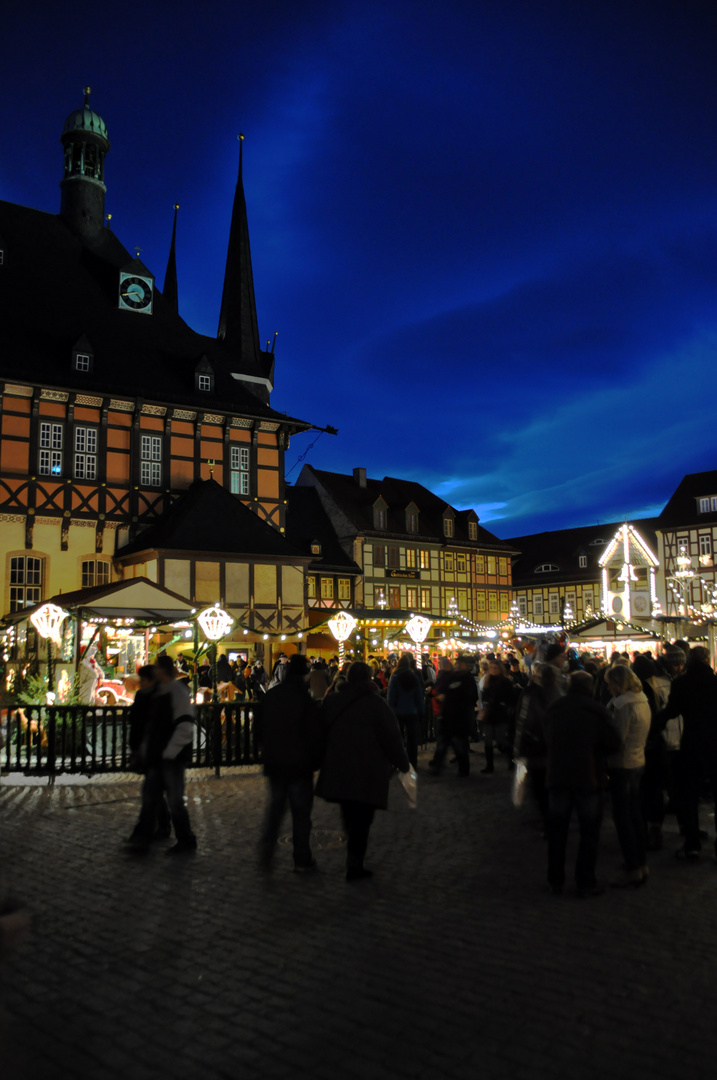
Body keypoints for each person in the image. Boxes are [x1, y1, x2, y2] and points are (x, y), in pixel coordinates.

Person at [316, 662, 410, 881]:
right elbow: (391, 737)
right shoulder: (376, 704)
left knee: (349, 811)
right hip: (368, 767)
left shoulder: (333, 701)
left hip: (339, 764)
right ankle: (355, 862)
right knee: (362, 816)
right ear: (369, 678)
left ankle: (354, 854)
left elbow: (319, 729)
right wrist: (403, 762)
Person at [544, 671, 622, 897]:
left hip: (558, 775)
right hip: (587, 776)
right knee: (589, 832)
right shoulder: (596, 710)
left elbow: (546, 736)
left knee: (557, 831)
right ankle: (584, 880)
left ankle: (555, 879)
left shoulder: (555, 708)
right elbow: (613, 742)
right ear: (590, 687)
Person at [256, 655, 324, 872]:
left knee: (275, 810)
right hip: (299, 765)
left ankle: (266, 855)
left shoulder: (272, 696)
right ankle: (301, 858)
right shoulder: (306, 700)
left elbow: (258, 728)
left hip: (275, 762)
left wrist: (265, 749)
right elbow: (314, 734)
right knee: (301, 814)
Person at [128, 654, 197, 855]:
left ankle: (184, 839)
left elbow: (184, 725)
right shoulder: (163, 692)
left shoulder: (176, 692)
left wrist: (169, 751)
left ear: (162, 670)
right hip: (161, 755)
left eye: (156, 667)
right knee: (152, 797)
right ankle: (144, 837)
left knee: (172, 800)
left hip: (170, 757)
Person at [658, 645, 717, 861]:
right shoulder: (715, 682)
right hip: (715, 746)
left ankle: (692, 844)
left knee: (689, 796)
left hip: (692, 745)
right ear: (708, 659)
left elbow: (671, 711)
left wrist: (655, 724)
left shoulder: (682, 683)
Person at [605, 664, 651, 887]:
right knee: (636, 814)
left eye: (609, 683)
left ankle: (632, 865)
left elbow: (616, 739)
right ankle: (641, 861)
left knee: (623, 817)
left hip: (622, 765)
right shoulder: (642, 700)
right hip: (638, 761)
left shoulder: (622, 705)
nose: (607, 687)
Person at [126, 665, 171, 844]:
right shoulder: (146, 696)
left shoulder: (158, 698)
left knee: (150, 791)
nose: (141, 683)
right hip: (148, 749)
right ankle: (163, 825)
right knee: (154, 791)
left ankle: (143, 834)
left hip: (155, 750)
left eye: (143, 680)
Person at [428, 655, 478, 777]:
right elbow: (442, 690)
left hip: (460, 717)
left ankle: (463, 769)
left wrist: (450, 697)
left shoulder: (468, 679)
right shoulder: (451, 677)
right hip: (447, 715)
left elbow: (471, 697)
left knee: (458, 744)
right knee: (443, 743)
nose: (457, 665)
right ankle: (438, 766)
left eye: (460, 663)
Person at [477, 658, 516, 774]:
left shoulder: (506, 682)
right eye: (492, 668)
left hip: (501, 714)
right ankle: (490, 766)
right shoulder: (487, 681)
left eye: (495, 668)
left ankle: (511, 760)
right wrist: (485, 705)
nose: (493, 670)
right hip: (490, 714)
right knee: (488, 741)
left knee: (501, 740)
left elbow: (512, 698)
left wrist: (504, 704)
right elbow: (484, 694)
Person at [387, 652, 424, 769]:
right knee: (412, 739)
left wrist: (390, 709)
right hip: (412, 711)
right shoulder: (414, 677)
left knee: (398, 738)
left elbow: (391, 696)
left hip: (397, 712)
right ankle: (412, 762)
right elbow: (419, 696)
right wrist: (420, 710)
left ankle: (398, 762)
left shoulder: (395, 677)